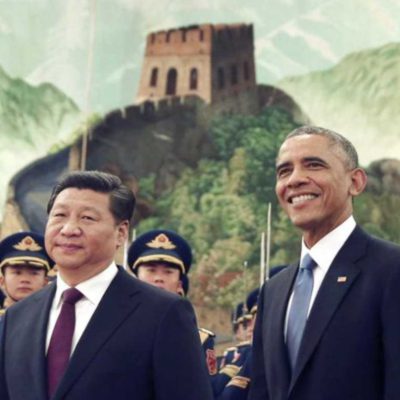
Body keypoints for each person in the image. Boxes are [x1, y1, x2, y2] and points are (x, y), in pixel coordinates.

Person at [0, 171, 213, 400]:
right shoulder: (17, 317)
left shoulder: (163, 313)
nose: (69, 229)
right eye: (59, 215)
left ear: (120, 233)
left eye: (87, 218)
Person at [249, 126, 400, 400]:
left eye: (314, 165)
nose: (295, 179)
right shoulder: (273, 291)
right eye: (284, 171)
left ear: (355, 182)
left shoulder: (391, 270)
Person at [128, 229, 217, 377]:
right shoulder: (113, 329)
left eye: (168, 272)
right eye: (151, 270)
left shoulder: (198, 339)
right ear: (135, 278)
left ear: (179, 285)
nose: (159, 278)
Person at [0, 231, 54, 317]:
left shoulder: (54, 319)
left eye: (34, 273)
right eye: (17, 273)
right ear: (2, 281)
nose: (25, 280)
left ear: (45, 282)